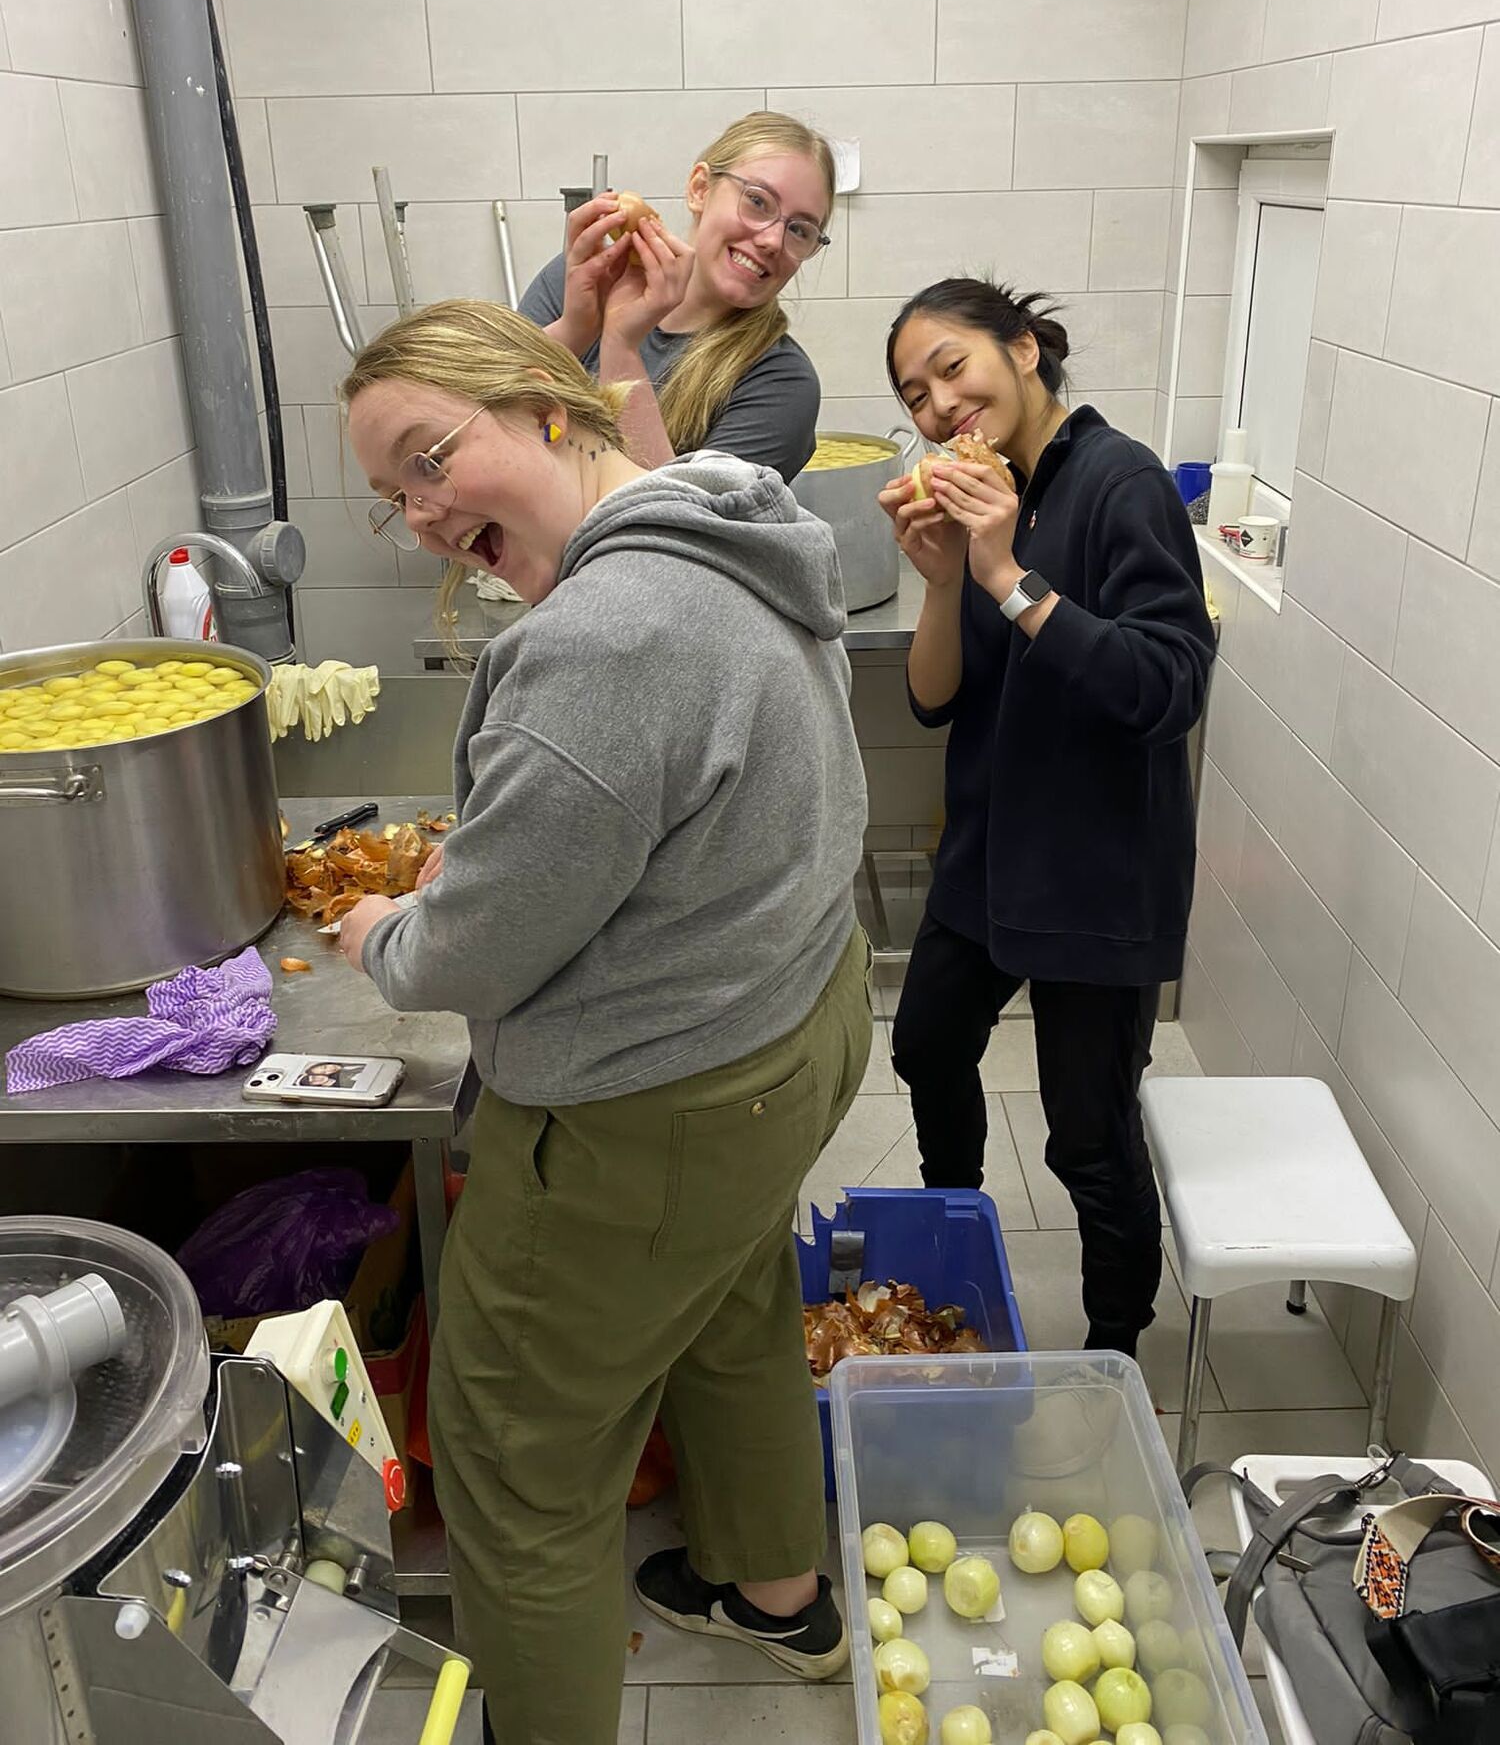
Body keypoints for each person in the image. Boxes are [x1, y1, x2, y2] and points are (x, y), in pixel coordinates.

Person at [336, 301, 871, 1745]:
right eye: (395, 497)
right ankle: (777, 1593)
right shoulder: (728, 514)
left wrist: (389, 934)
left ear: (545, 403)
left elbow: (476, 950)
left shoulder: (606, 638)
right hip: (797, 1022)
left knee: (518, 1456)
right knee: (729, 1304)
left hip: (650, 1116)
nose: (424, 515)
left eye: (430, 458)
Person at [879, 279, 1215, 1361]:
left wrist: (1008, 577)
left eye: (952, 367)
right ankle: (955, 1241)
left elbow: (1168, 686)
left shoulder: (1124, 484)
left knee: (1087, 1139)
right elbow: (934, 699)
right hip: (988, 855)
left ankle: (1115, 1349)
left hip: (1097, 873)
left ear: (1024, 348)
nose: (939, 405)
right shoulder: (991, 493)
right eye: (915, 394)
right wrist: (946, 580)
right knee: (928, 1043)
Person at [518, 110, 834, 484]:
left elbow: (676, 516)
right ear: (700, 189)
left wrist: (622, 345)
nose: (772, 241)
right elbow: (478, 418)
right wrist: (574, 328)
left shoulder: (781, 384)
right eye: (758, 201)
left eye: (800, 230)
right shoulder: (582, 282)